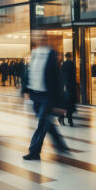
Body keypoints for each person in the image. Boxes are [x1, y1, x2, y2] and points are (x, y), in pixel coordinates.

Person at [21, 30, 70, 160]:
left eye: (41, 36)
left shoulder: (51, 54)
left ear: (45, 38)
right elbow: (30, 73)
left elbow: (57, 79)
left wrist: (59, 103)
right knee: (46, 122)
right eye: (36, 36)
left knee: (42, 122)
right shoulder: (34, 53)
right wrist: (25, 90)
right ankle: (60, 145)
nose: (39, 38)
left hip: (47, 96)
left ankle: (34, 151)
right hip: (35, 95)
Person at [59, 52, 77, 127]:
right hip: (71, 87)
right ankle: (70, 120)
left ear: (66, 57)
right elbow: (73, 76)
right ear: (71, 56)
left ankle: (61, 117)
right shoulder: (72, 64)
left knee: (65, 104)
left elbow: (62, 75)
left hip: (65, 86)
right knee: (70, 104)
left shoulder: (63, 64)